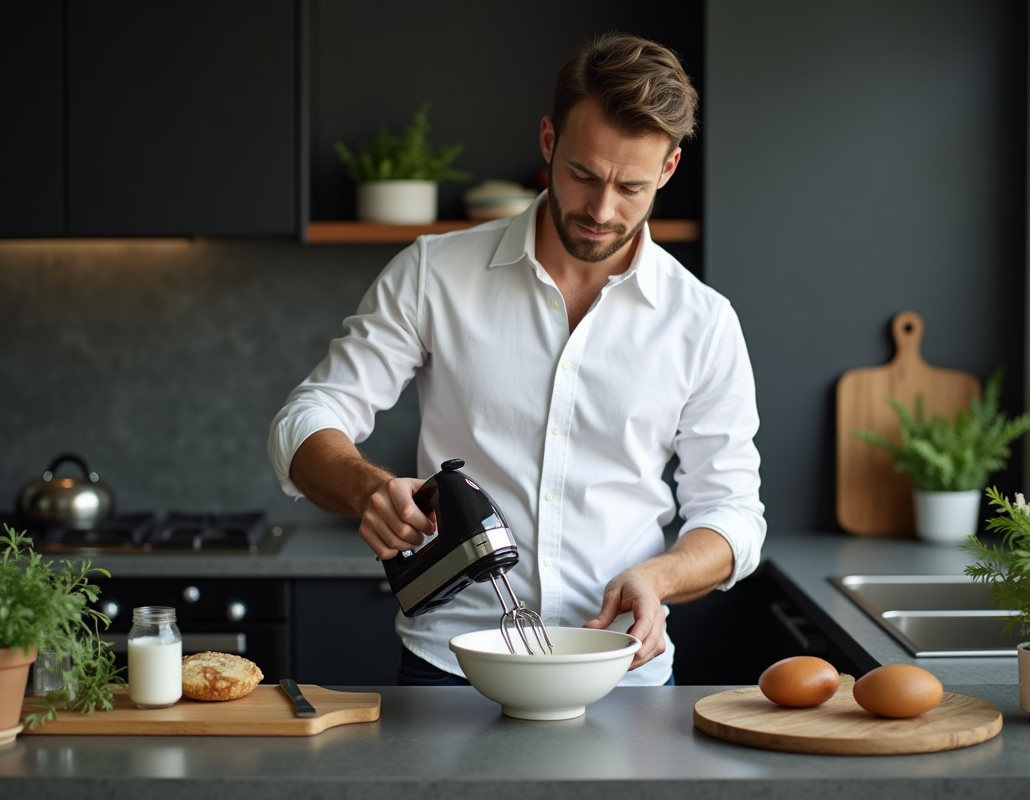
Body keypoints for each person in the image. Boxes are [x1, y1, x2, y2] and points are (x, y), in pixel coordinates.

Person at [268, 32, 766, 686]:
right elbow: (307, 416)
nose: (601, 210)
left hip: (622, 675)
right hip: (452, 669)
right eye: (583, 175)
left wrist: (659, 576)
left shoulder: (702, 322)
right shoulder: (434, 274)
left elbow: (732, 514)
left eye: (632, 187)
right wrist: (368, 489)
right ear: (548, 141)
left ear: (669, 170)